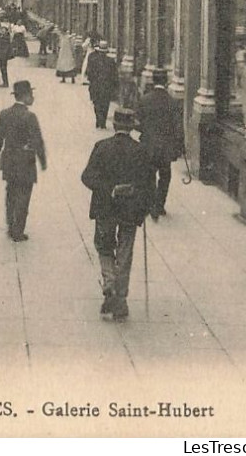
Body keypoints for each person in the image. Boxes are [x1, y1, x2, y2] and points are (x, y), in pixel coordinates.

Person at [81, 105, 155, 320]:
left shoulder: (101, 147)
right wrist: (145, 206)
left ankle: (109, 283)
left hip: (105, 207)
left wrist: (109, 189)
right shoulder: (141, 151)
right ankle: (120, 298)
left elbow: (87, 177)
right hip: (131, 210)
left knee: (104, 246)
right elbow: (150, 184)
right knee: (125, 250)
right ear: (132, 128)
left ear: (114, 125)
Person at [0, 79, 47, 242]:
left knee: (11, 192)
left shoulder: (4, 113)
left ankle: (10, 224)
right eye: (32, 94)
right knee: (24, 194)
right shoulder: (30, 117)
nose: (33, 97)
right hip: (25, 161)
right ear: (26, 96)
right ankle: (18, 230)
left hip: (9, 159)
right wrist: (42, 160)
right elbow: (38, 141)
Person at [137, 72, 182, 219]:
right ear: (166, 82)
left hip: (148, 146)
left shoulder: (144, 100)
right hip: (165, 147)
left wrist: (146, 132)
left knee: (149, 175)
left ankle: (151, 205)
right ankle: (160, 205)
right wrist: (179, 145)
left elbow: (138, 123)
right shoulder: (173, 102)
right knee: (165, 175)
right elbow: (177, 127)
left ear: (153, 81)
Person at [86, 41, 118, 128]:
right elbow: (115, 75)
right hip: (106, 87)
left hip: (95, 86)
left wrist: (91, 80)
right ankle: (102, 121)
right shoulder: (111, 61)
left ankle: (98, 120)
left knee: (97, 103)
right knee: (105, 104)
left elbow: (88, 72)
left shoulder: (93, 59)